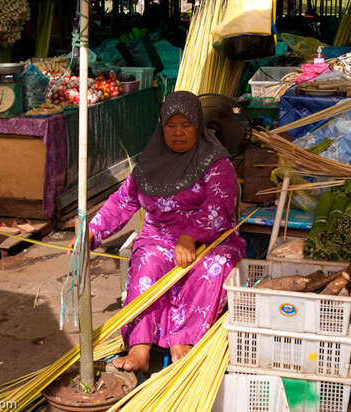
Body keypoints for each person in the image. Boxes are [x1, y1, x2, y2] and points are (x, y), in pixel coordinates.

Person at [68, 91, 245, 372]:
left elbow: (219, 207)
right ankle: (140, 348)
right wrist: (92, 232)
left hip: (210, 239)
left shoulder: (216, 163)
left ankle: (184, 339)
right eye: (170, 125)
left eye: (185, 125)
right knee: (148, 264)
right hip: (159, 236)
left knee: (214, 266)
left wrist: (190, 236)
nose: (177, 133)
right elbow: (123, 200)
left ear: (198, 126)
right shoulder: (148, 164)